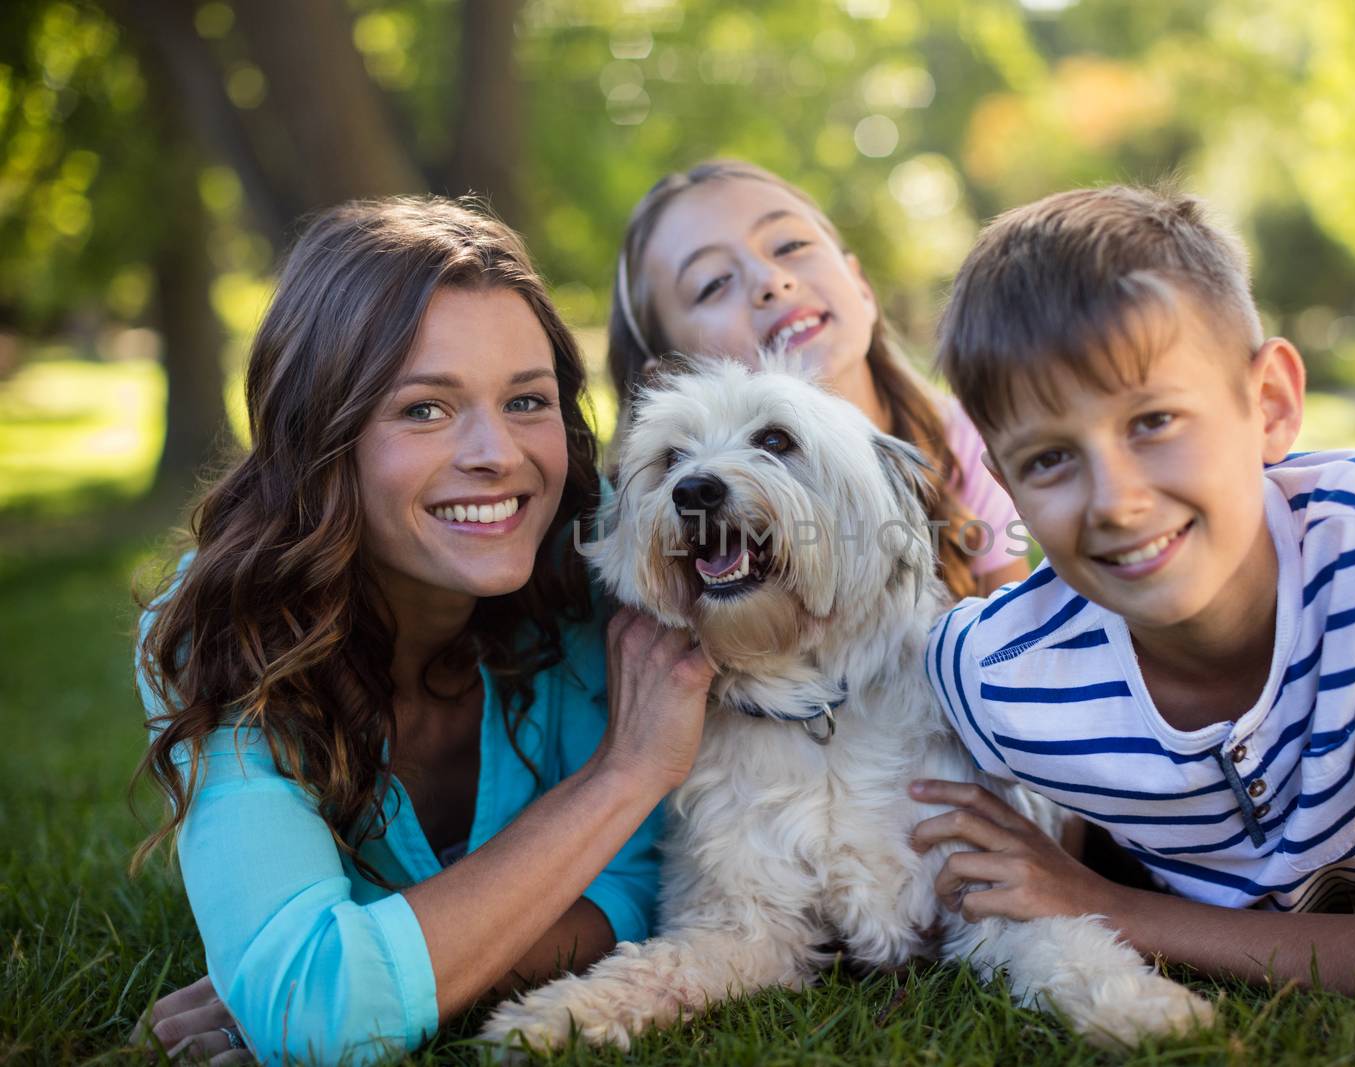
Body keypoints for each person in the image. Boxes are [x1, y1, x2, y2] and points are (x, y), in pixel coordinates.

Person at [910, 184, 1355, 1005]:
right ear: (1008, 487)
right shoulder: (991, 669)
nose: (1116, 501)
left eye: (1153, 420)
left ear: (1269, 404)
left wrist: (1105, 904)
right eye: (1050, 459)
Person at [129, 197, 715, 1064]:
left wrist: (388, 969)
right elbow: (314, 1010)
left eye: (526, 400)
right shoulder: (222, 629)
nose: (496, 453)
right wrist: (623, 774)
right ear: (321, 436)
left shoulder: (603, 583)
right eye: (425, 410)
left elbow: (644, 886)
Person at [607, 159, 1032, 600]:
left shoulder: (964, 441)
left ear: (862, 288)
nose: (771, 281)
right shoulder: (665, 532)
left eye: (789, 245)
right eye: (713, 283)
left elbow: (1018, 635)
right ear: (672, 380)